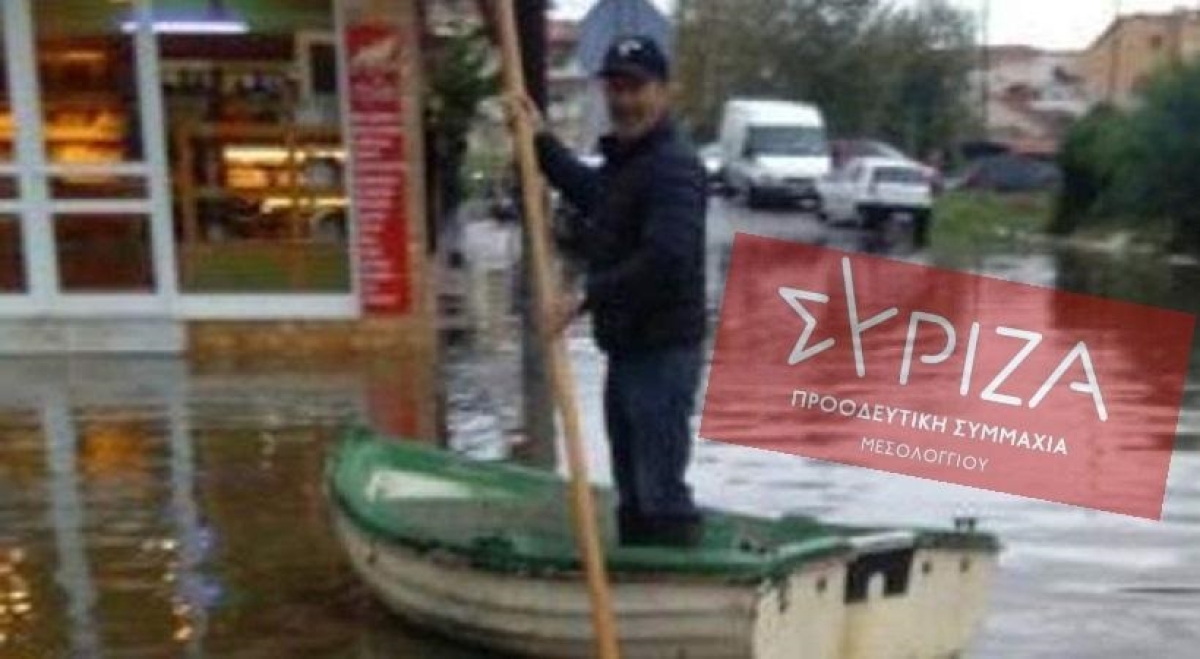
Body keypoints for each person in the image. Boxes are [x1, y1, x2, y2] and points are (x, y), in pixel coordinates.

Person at [509, 36, 708, 547]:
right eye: (615, 88)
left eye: (636, 88)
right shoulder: (629, 161)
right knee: (633, 489)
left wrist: (584, 297)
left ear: (664, 91)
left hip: (662, 354)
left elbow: (668, 258)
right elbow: (593, 192)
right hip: (629, 349)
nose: (624, 100)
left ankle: (676, 582)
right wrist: (540, 142)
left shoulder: (673, 165)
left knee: (659, 491)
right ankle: (637, 571)